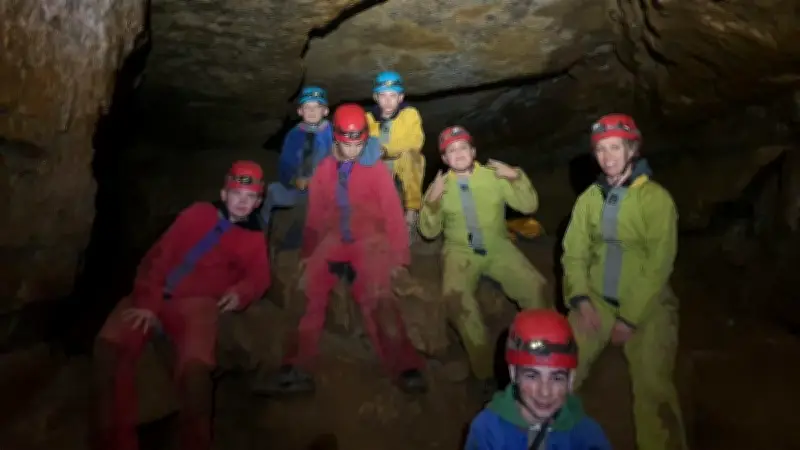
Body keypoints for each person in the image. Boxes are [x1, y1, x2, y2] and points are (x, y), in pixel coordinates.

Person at [92, 161, 272, 450]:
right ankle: (113, 440)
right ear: (224, 193)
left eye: (250, 197)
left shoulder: (253, 238)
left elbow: (259, 276)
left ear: (258, 201)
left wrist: (241, 293)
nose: (242, 201)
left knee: (196, 371)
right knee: (108, 349)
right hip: (152, 294)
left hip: (197, 306)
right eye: (237, 193)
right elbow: (157, 257)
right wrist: (148, 302)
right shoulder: (197, 214)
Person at [256, 103, 427, 395]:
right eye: (348, 142)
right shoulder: (324, 168)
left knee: (378, 297)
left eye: (359, 141)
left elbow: (392, 214)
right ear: (336, 137)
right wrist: (308, 254)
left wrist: (400, 258)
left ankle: (404, 366)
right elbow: (316, 214)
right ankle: (296, 366)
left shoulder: (374, 169)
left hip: (370, 239)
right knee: (307, 289)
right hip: (334, 239)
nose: (354, 148)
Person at [561, 113, 687, 450]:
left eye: (615, 148)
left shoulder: (655, 200)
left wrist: (629, 318)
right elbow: (574, 252)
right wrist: (580, 298)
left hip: (648, 304)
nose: (607, 157)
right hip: (597, 300)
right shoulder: (589, 199)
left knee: (653, 386)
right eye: (600, 150)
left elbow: (659, 264)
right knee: (557, 371)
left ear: (632, 150)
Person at [418, 126, 549, 390]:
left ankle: (544, 351)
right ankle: (485, 371)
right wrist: (430, 203)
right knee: (456, 299)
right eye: (451, 151)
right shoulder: (440, 187)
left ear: (473, 151)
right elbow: (429, 232)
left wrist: (515, 177)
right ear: (444, 159)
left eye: (463, 147)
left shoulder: (494, 176)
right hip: (460, 251)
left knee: (535, 287)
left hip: (498, 245)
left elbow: (529, 206)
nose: (458, 154)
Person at [465, 309, 611, 450]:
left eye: (557, 378)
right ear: (513, 374)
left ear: (570, 380)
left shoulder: (586, 435)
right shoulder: (488, 430)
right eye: (532, 376)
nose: (545, 392)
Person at [262, 86, 333, 251]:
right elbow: (285, 164)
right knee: (272, 192)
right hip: (298, 189)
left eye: (317, 107)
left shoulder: (333, 133)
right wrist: (294, 180)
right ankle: (261, 234)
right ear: (300, 111)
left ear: (325, 111)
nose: (312, 111)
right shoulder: (294, 135)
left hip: (325, 190)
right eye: (307, 107)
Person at [365, 71, 426, 245]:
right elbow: (365, 146)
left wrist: (386, 150)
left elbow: (414, 142)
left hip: (403, 163)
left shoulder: (410, 114)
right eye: (383, 96)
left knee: (412, 156)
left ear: (401, 97)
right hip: (379, 166)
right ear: (376, 97)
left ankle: (411, 213)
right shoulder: (368, 118)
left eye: (393, 95)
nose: (388, 101)